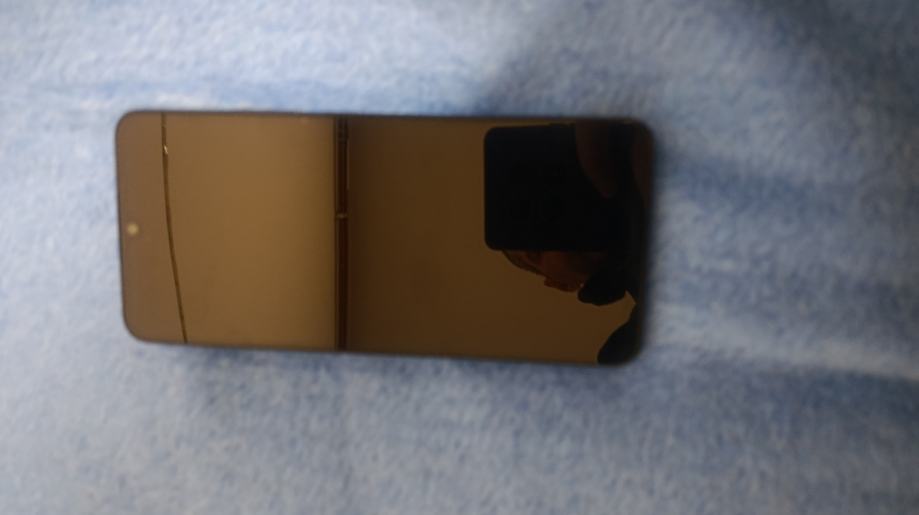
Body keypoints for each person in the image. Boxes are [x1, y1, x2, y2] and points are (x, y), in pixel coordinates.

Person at [498, 121, 651, 364]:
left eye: (550, 216)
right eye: (534, 252)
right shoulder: (637, 337)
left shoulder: (624, 162)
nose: (547, 234)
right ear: (561, 285)